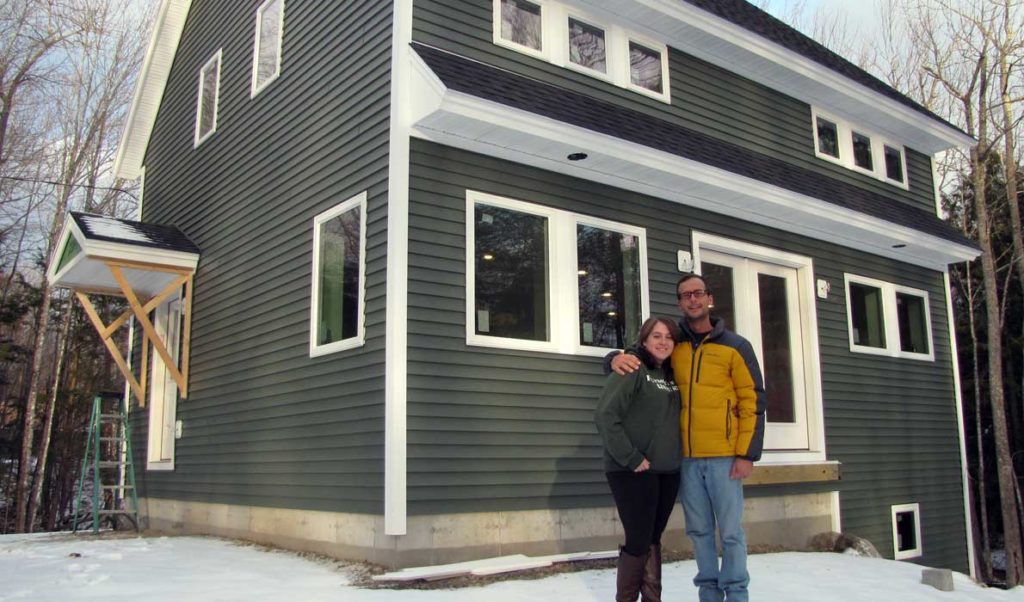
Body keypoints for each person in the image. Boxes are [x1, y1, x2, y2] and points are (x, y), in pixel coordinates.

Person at [609, 273, 766, 602]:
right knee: (699, 532)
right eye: (685, 295)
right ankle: (708, 594)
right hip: (687, 460)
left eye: (698, 293)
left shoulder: (736, 346)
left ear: (709, 298)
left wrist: (747, 453)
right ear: (680, 302)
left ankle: (737, 595)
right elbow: (640, 353)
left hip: (725, 457)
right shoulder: (675, 344)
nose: (692, 300)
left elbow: (753, 400)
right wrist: (611, 358)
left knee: (732, 533)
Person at [595, 316, 683, 602]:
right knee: (638, 540)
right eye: (656, 336)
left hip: (667, 470)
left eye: (669, 337)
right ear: (644, 340)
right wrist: (631, 457)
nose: (663, 342)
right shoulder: (632, 367)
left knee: (653, 539)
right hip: (632, 470)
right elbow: (606, 416)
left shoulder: (671, 373)